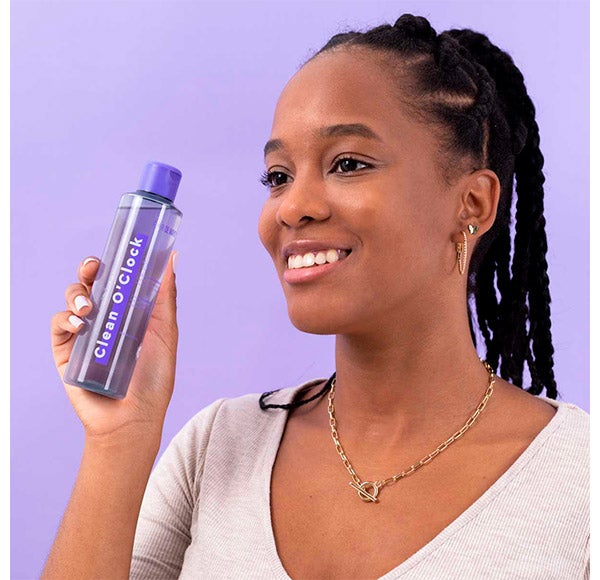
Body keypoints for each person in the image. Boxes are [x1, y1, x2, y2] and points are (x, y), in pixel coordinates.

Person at [43, 13, 589, 580]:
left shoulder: (579, 480)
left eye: (347, 164)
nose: (292, 206)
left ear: (472, 204)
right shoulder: (217, 447)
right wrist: (118, 440)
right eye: (278, 176)